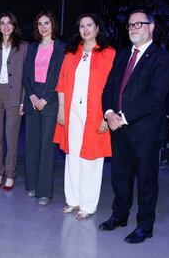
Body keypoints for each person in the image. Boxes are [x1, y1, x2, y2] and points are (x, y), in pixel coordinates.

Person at [100, 10, 169, 243]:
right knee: (120, 176)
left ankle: (145, 225)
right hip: (118, 128)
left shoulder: (162, 58)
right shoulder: (122, 55)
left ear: (151, 27)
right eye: (130, 25)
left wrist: (122, 117)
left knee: (146, 181)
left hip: (144, 132)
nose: (133, 28)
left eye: (139, 24)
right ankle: (120, 215)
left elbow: (155, 98)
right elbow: (109, 88)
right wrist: (109, 112)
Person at [54, 13, 115, 219]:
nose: (86, 29)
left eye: (90, 25)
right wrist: (61, 109)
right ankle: (73, 200)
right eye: (82, 26)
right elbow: (62, 82)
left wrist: (107, 116)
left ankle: (88, 205)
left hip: (96, 112)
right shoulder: (72, 53)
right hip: (72, 111)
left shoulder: (108, 53)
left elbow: (113, 88)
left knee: (91, 158)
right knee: (72, 156)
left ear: (98, 28)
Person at [22, 11, 66, 206]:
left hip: (51, 99)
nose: (43, 27)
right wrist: (31, 95)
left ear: (53, 25)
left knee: (47, 147)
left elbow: (59, 76)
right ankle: (31, 185)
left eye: (46, 23)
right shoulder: (32, 47)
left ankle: (44, 192)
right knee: (31, 144)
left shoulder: (61, 48)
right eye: (39, 24)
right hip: (33, 97)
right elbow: (26, 74)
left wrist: (46, 98)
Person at [0, 12, 28, 190]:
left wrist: (23, 101)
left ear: (14, 26)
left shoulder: (23, 47)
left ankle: (10, 174)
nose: (6, 26)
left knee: (11, 136)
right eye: (2, 23)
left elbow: (26, 76)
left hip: (14, 95)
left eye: (9, 23)